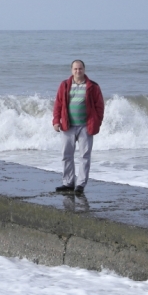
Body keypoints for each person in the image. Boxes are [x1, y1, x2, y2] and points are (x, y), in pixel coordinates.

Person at [52, 59, 105, 194]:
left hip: (85, 126)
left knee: (85, 156)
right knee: (66, 155)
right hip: (68, 126)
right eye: (75, 69)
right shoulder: (64, 85)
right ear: (71, 70)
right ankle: (68, 183)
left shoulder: (93, 86)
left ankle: (80, 184)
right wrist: (56, 121)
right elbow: (58, 104)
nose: (78, 71)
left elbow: (100, 106)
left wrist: (97, 122)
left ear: (84, 69)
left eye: (80, 68)